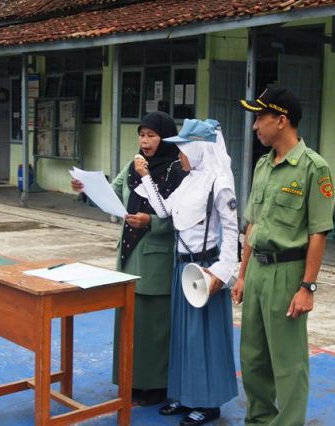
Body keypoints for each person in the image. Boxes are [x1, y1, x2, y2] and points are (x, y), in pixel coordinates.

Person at [233, 87, 335, 426]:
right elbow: (252, 225)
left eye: (260, 118)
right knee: (253, 356)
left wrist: (308, 287)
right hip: (259, 272)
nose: (255, 126)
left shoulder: (313, 168)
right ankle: (259, 420)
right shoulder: (263, 165)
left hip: (288, 273)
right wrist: (244, 273)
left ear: (281, 120)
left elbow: (318, 233)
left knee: (288, 361)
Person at [71, 111, 186, 406]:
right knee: (129, 324)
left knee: (154, 328)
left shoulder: (177, 169)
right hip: (129, 254)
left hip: (156, 259)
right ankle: (130, 380)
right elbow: (113, 191)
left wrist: (151, 221)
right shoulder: (135, 164)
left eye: (151, 135)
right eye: (142, 134)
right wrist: (86, 189)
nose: (145, 141)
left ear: (166, 138)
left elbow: (181, 217)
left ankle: (156, 386)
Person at [134, 118, 238, 426]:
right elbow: (166, 211)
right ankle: (184, 394)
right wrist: (147, 178)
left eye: (183, 149)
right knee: (183, 334)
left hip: (206, 269)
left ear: (197, 148)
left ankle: (208, 403)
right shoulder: (190, 180)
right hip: (182, 266)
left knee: (203, 338)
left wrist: (222, 273)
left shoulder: (219, 182)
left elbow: (231, 231)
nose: (179, 155)